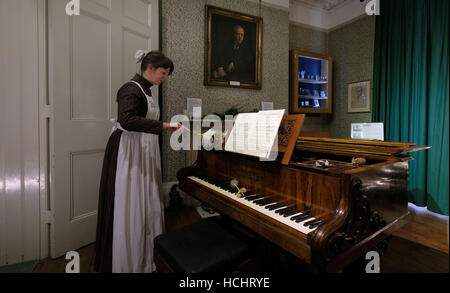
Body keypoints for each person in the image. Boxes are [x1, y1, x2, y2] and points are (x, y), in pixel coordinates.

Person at [94, 50, 181, 273]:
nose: (165, 77)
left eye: (167, 74)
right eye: (163, 72)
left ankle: (146, 254)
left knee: (147, 199)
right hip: (129, 153)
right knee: (130, 201)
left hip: (143, 150)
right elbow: (128, 119)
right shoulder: (130, 89)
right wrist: (164, 126)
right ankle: (129, 261)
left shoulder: (146, 92)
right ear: (149, 68)